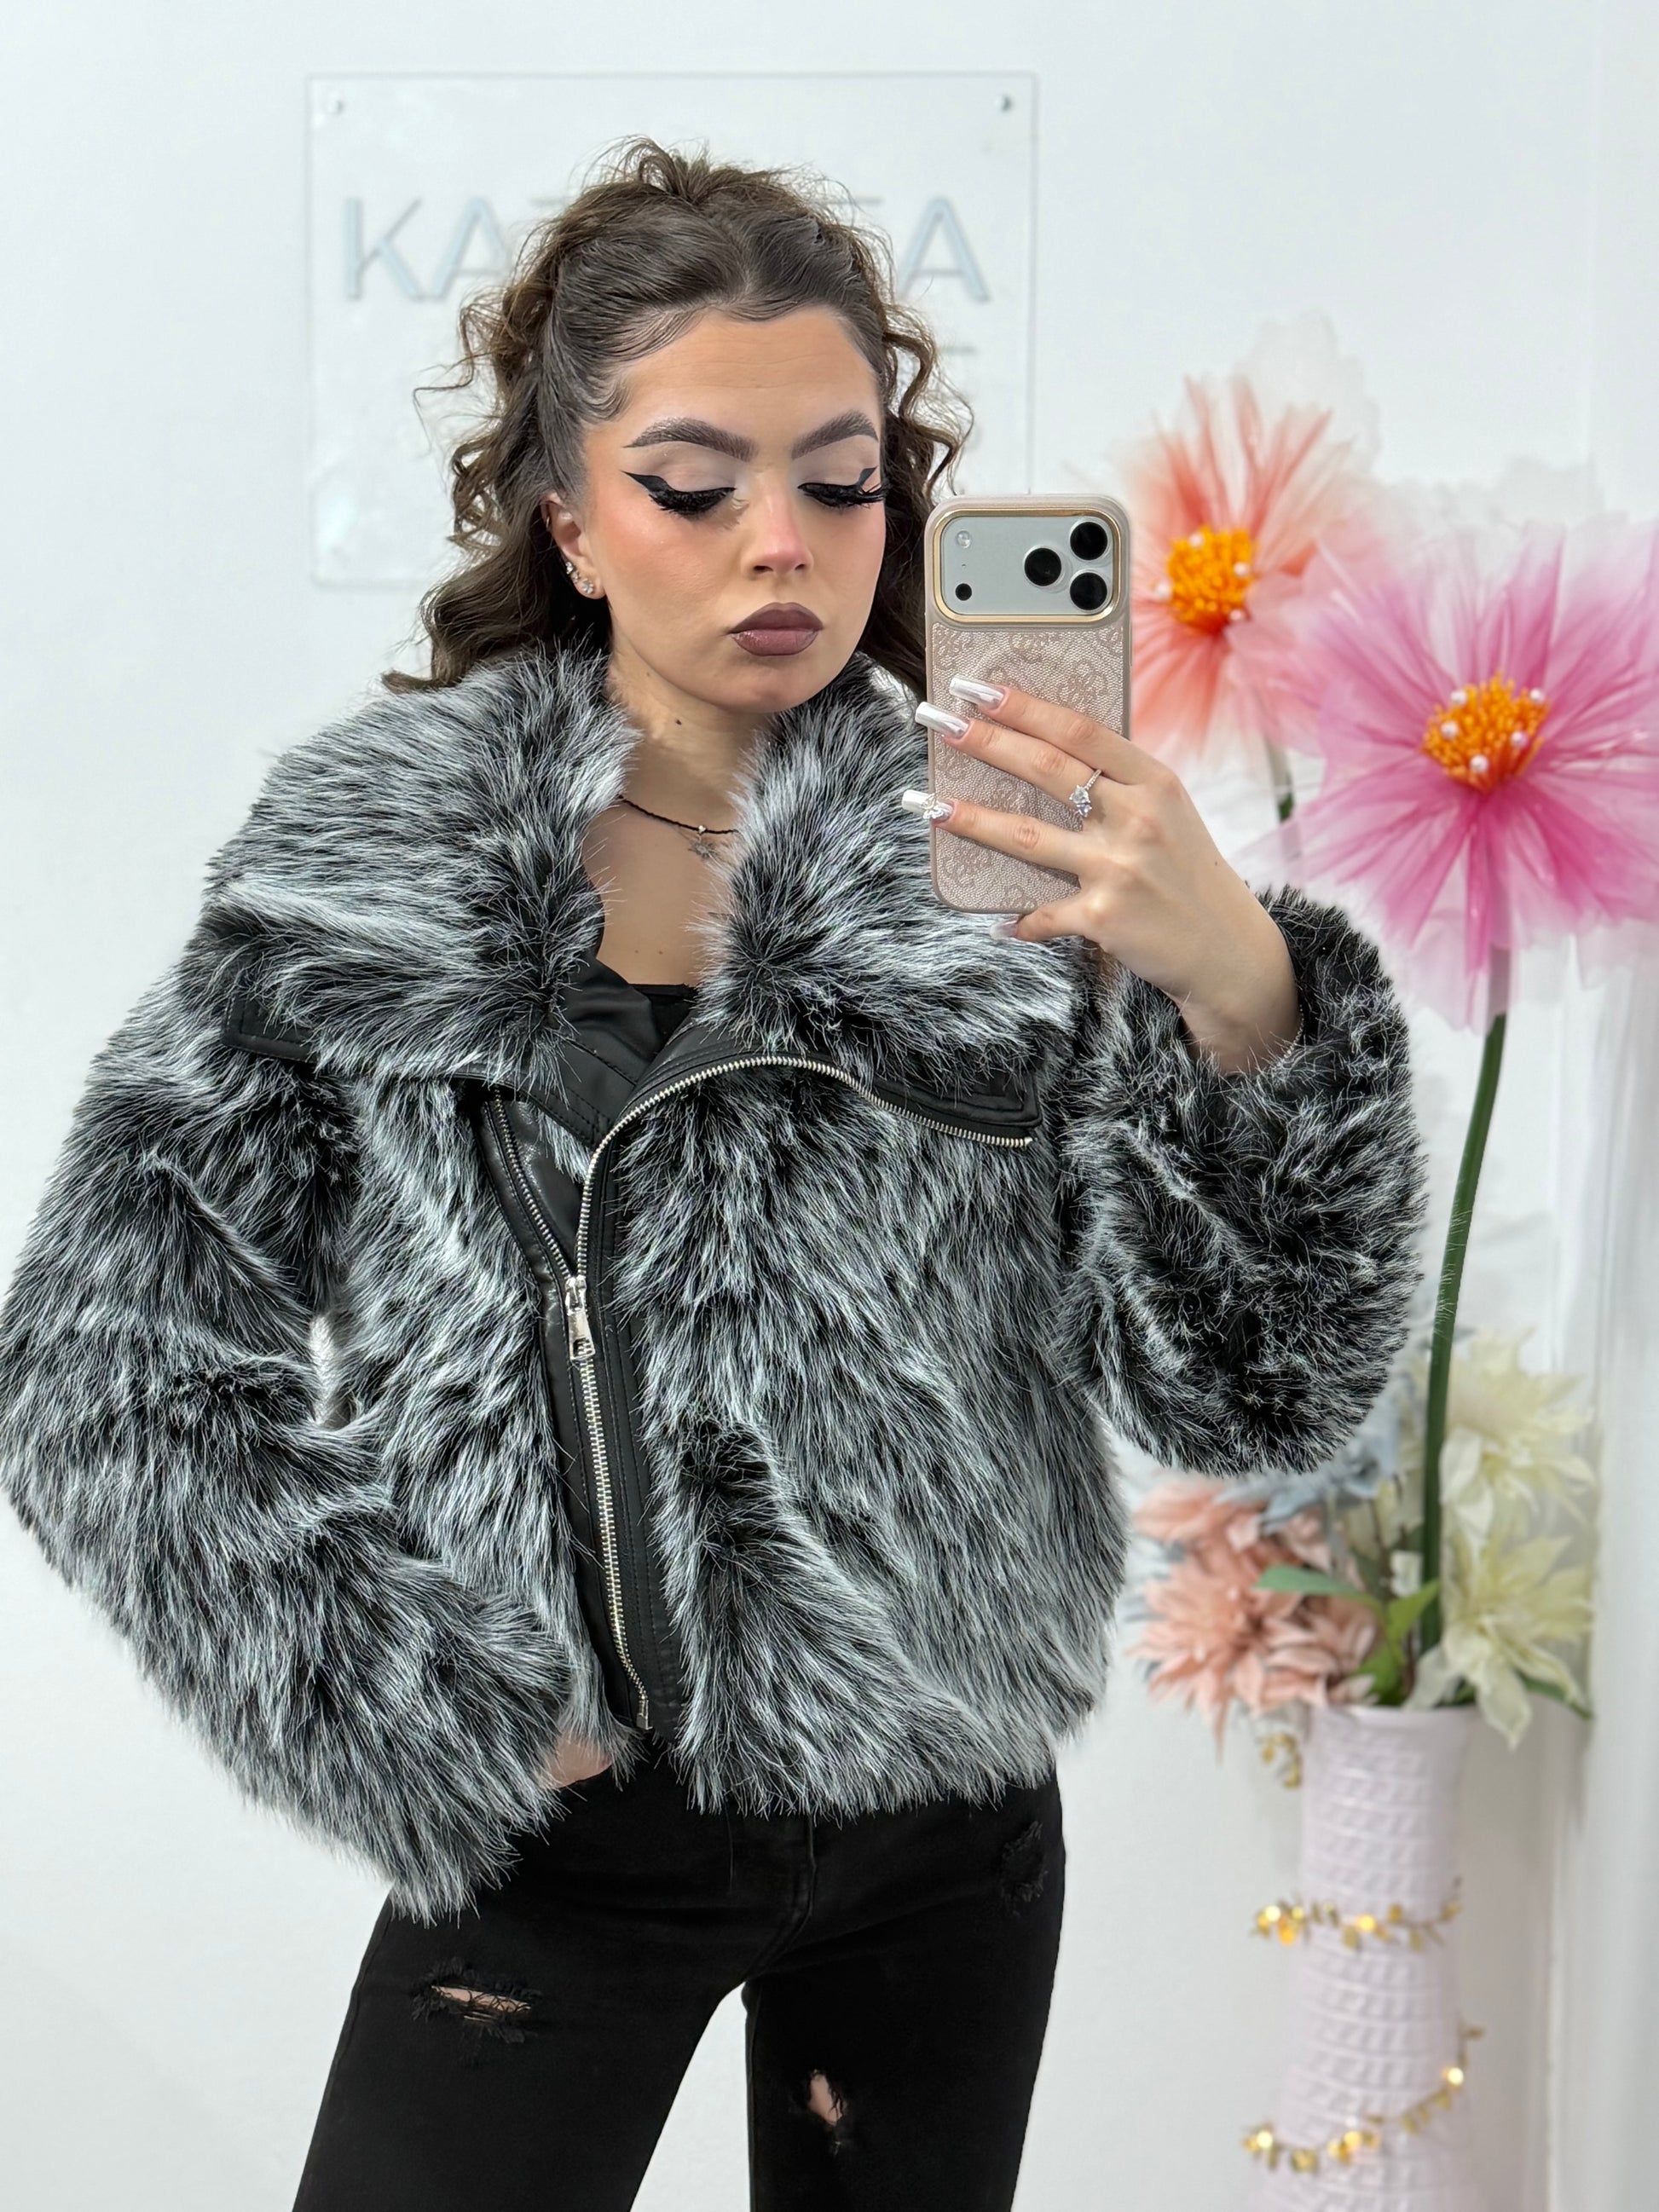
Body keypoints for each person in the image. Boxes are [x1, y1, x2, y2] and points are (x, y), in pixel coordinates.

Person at [0, 139, 1425, 2212]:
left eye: (840, 481)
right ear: (571, 519)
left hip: (944, 1822)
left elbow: (1250, 1391)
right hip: (560, 1837)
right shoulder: (367, 879)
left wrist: (1240, 984)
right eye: (693, 485)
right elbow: (99, 1363)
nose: (783, 543)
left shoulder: (1008, 875)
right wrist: (428, 1694)